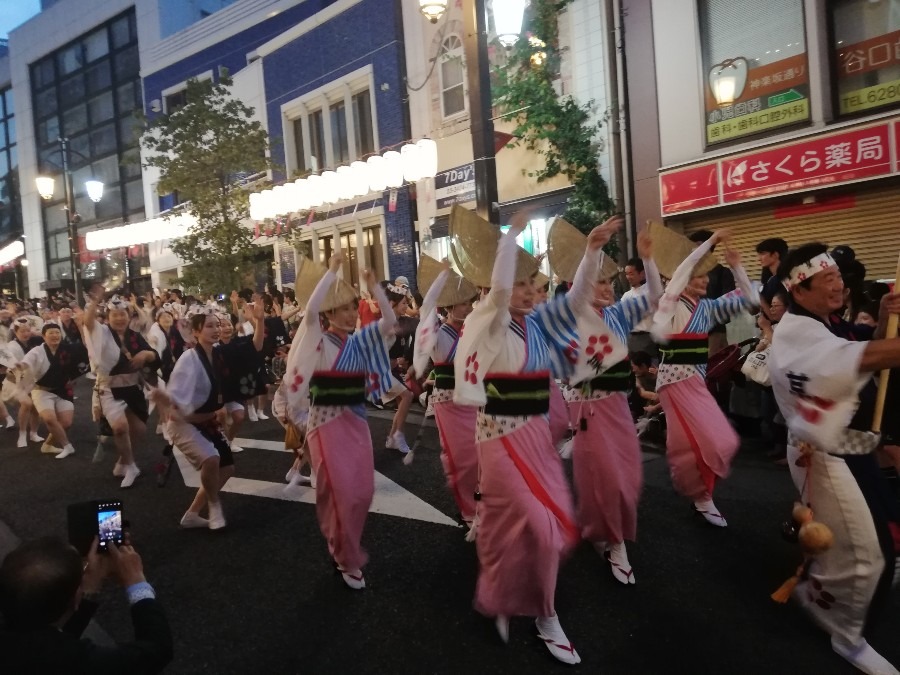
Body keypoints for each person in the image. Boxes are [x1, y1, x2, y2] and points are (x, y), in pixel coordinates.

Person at [453, 214, 621, 665]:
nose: (530, 292)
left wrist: (590, 252)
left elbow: (579, 298)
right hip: (499, 440)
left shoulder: (538, 324)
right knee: (544, 532)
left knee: (528, 527)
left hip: (536, 440)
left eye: (536, 284)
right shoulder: (486, 322)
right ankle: (547, 616)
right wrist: (508, 241)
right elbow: (501, 293)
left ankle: (504, 582)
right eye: (521, 284)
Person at [769, 243, 900, 675]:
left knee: (879, 524)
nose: (839, 286)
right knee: (871, 550)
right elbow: (865, 358)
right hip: (824, 453)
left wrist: (883, 318)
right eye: (828, 281)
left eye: (839, 279)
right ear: (799, 290)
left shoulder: (823, 322)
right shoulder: (795, 333)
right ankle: (846, 635)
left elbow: (862, 353)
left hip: (848, 444)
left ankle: (820, 582)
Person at [284, 254, 396, 590]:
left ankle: (343, 547)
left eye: (353, 307)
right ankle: (344, 556)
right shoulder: (317, 340)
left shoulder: (359, 342)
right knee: (341, 493)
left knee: (362, 493)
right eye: (343, 308)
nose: (351, 314)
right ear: (329, 314)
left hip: (356, 423)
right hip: (326, 426)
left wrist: (374, 284)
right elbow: (311, 311)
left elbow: (389, 319)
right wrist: (331, 271)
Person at [565, 226, 661, 586]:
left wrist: (649, 258)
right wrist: (591, 249)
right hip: (588, 407)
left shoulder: (619, 314)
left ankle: (602, 530)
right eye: (599, 282)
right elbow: (576, 294)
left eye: (610, 282)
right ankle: (615, 541)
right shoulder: (577, 315)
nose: (607, 288)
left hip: (620, 406)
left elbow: (655, 294)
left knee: (626, 478)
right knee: (604, 478)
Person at [651, 228, 758, 526]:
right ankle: (701, 496)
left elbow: (751, 300)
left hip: (694, 381)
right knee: (714, 441)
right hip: (675, 382)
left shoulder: (707, 308)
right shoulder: (669, 304)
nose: (705, 280)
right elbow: (683, 269)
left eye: (707, 275)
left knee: (698, 443)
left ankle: (702, 496)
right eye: (699, 275)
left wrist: (736, 265)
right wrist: (710, 243)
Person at [154, 302, 265, 530]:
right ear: (195, 331)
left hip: (206, 420)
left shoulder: (219, 353)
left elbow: (254, 347)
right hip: (184, 422)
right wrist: (164, 400)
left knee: (227, 468)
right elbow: (176, 400)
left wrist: (260, 321)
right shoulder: (189, 358)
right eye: (209, 326)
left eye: (217, 325)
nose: (215, 329)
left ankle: (192, 513)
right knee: (212, 459)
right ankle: (214, 506)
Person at [0, 536, 173, 674]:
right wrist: (136, 581)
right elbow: (157, 650)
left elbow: (45, 644)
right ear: (76, 599)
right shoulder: (74, 662)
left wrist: (88, 588)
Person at [413, 256, 479, 526]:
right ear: (450, 307)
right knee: (462, 458)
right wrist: (441, 277)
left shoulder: (474, 328)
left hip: (475, 399)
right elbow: (426, 307)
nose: (468, 307)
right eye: (463, 303)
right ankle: (468, 511)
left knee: (482, 456)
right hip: (448, 402)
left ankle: (482, 504)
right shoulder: (438, 333)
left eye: (469, 302)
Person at [83, 294, 161, 488]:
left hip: (132, 388)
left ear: (129, 315)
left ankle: (123, 460)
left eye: (123, 314)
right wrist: (94, 301)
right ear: (108, 317)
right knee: (119, 428)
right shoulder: (101, 333)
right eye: (114, 315)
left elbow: (155, 357)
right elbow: (88, 322)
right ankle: (132, 466)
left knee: (140, 430)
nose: (119, 318)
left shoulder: (134, 337)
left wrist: (146, 354)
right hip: (109, 389)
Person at [14, 322, 91, 458]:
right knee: (49, 419)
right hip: (42, 390)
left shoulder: (67, 349)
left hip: (62, 390)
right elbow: (27, 361)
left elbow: (85, 350)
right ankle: (67, 446)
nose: (55, 335)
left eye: (57, 332)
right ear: (44, 336)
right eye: (51, 333)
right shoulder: (37, 351)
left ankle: (47, 445)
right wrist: (21, 365)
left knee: (66, 423)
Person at [688, 230, 735, 355]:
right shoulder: (688, 272)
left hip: (713, 333)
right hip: (689, 333)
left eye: (697, 245)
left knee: (710, 370)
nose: (693, 249)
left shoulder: (722, 272)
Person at [4, 317, 45, 447]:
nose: (26, 333)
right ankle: (22, 434)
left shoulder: (35, 341)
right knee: (27, 403)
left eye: (27, 330)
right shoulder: (11, 346)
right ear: (15, 332)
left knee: (35, 408)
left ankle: (33, 433)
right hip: (14, 382)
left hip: (31, 380)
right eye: (22, 331)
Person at [621, 257, 659, 361]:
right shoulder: (626, 295)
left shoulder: (650, 291)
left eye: (631, 273)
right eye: (626, 274)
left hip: (647, 338)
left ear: (642, 274)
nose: (628, 277)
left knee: (649, 370)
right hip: (630, 338)